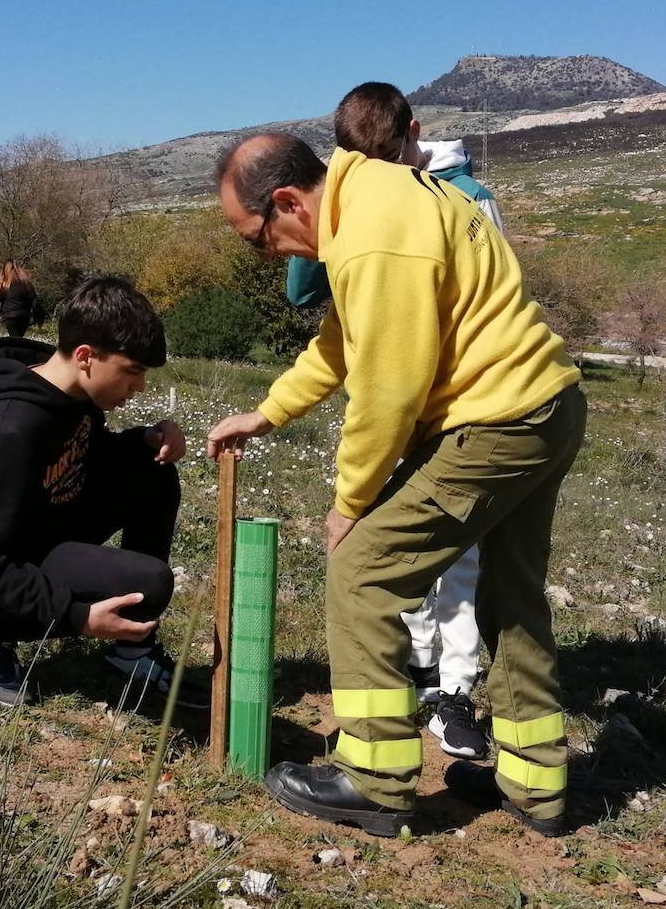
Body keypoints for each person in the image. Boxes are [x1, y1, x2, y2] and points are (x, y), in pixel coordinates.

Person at [207, 133, 585, 838]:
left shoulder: (372, 237)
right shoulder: (378, 196)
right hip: (547, 406)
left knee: (362, 572)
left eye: (257, 238)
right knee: (511, 594)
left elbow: (387, 391)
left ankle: (376, 780)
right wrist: (268, 412)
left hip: (497, 419)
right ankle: (535, 785)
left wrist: (351, 503)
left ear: (287, 202)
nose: (269, 256)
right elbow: (341, 340)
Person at [286, 82, 505, 763]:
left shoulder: (438, 199)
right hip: (443, 396)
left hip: (453, 403)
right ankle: (430, 674)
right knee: (431, 549)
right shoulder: (466, 196)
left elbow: (311, 300)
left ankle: (444, 692)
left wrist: (346, 497)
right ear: (416, 126)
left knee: (426, 548)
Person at [0, 276, 205, 710]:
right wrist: (78, 617)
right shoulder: (8, 431)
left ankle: (131, 652)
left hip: (27, 529)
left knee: (152, 471)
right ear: (86, 356)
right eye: (133, 372)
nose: (139, 387)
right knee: (148, 584)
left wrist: (145, 440)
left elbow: (78, 456)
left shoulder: (72, 397)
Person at [0, 259, 39, 338]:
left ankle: (15, 349)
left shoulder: (5, 284)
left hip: (10, 316)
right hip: (24, 316)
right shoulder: (27, 283)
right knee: (19, 337)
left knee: (14, 338)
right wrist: (36, 317)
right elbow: (34, 301)